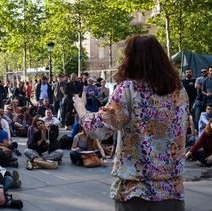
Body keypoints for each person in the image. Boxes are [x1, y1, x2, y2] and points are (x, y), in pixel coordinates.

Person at [74, 35, 188, 210]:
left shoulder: (129, 90)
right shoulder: (179, 91)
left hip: (136, 193)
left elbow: (98, 129)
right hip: (172, 191)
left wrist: (81, 110)